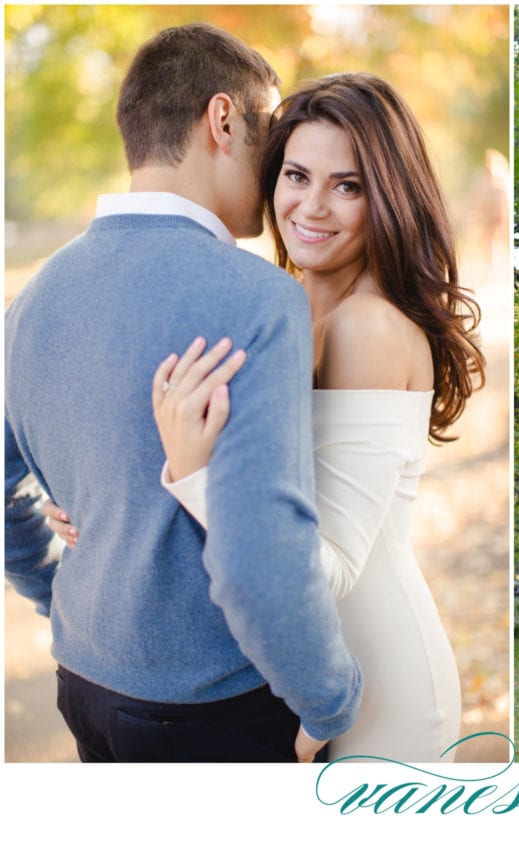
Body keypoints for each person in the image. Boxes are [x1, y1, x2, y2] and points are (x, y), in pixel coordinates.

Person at [53, 73, 486, 762]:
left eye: (349, 185)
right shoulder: (277, 305)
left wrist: (194, 473)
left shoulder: (369, 327)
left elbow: (331, 566)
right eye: (296, 175)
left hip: (374, 685)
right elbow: (249, 489)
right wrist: (103, 507)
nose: (312, 207)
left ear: (392, 198)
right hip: (283, 669)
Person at [5, 24, 362, 763]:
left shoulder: (26, 306)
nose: (274, 175)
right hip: (213, 707)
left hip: (83, 685)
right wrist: (330, 701)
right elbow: (264, 548)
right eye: (269, 138)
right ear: (223, 121)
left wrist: (57, 599)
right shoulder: (258, 299)